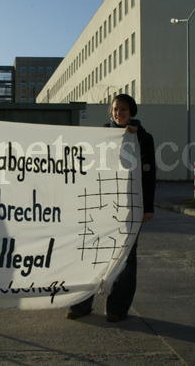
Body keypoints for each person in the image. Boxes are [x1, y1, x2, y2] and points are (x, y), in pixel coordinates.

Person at [66, 93, 156, 322]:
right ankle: (80, 304)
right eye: (115, 109)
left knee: (126, 258)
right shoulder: (101, 136)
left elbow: (149, 174)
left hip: (131, 207)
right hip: (101, 205)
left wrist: (148, 207)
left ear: (132, 112)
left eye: (123, 110)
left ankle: (117, 309)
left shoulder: (143, 138)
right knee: (91, 253)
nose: (118, 113)